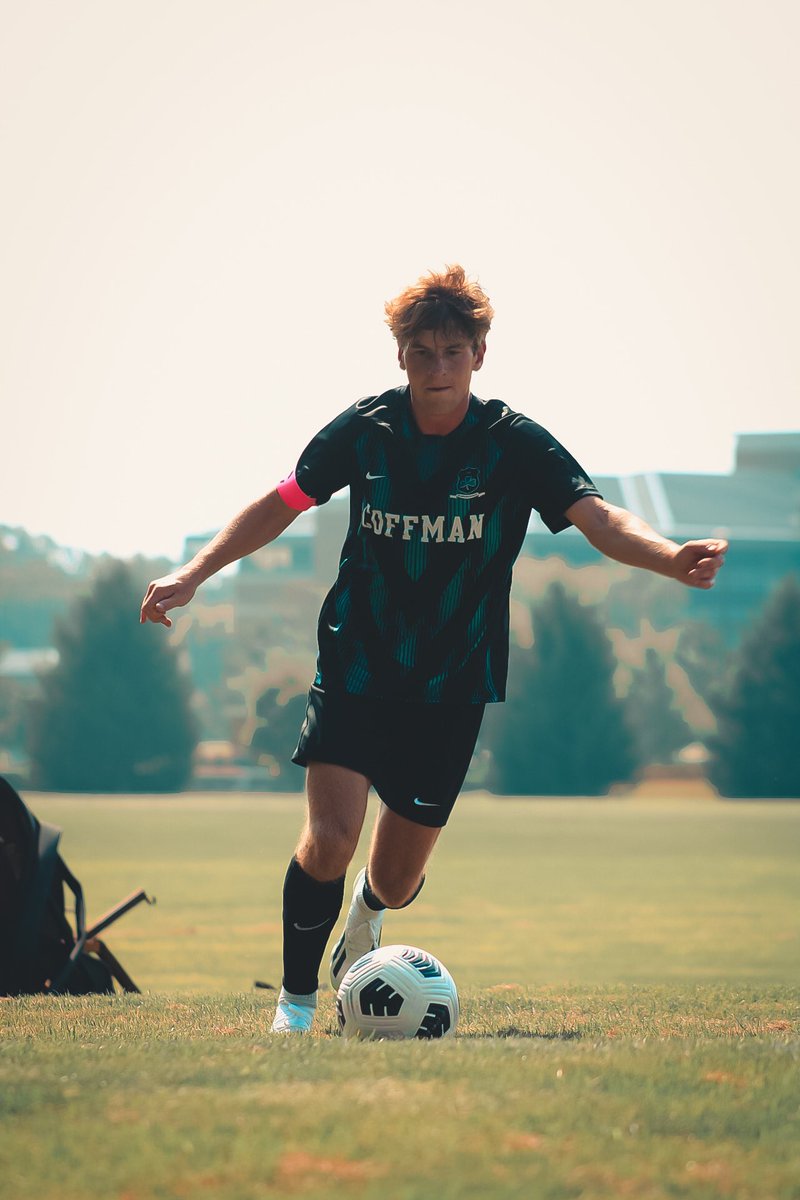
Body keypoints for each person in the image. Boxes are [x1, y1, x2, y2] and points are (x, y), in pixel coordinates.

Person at [140, 265, 727, 1033]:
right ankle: (296, 1006)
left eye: (453, 351)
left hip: (452, 685)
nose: (438, 367)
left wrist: (670, 557)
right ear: (401, 356)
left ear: (480, 353)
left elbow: (598, 517)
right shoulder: (365, 431)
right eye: (423, 351)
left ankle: (368, 913)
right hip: (356, 666)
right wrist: (194, 571)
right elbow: (282, 502)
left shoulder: (514, 443)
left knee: (394, 877)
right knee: (329, 840)